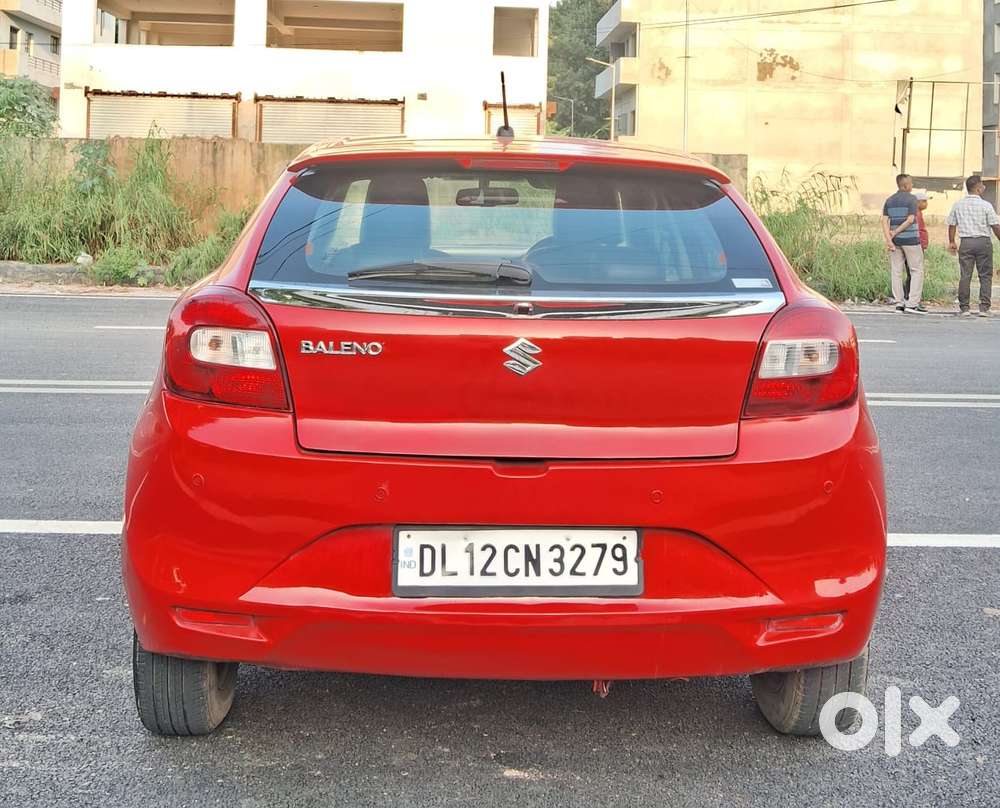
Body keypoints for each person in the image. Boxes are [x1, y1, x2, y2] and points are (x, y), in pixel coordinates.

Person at [946, 175, 999, 317]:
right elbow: (995, 226)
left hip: (966, 243)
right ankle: (984, 308)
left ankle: (964, 308)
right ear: (977, 188)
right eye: (982, 185)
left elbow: (952, 224)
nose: (984, 187)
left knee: (965, 275)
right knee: (985, 275)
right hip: (983, 242)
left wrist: (951, 241)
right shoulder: (986, 205)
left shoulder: (958, 205)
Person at [881, 174, 927, 313]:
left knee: (896, 271)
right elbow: (910, 219)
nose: (912, 186)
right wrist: (895, 232)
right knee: (916, 270)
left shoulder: (889, 200)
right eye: (911, 184)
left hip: (895, 242)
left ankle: (899, 303)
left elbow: (883, 221)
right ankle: (912, 304)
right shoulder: (911, 199)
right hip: (911, 240)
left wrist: (889, 239)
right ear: (906, 185)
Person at [903, 191, 931, 300]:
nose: (926, 204)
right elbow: (918, 231)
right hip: (916, 246)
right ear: (917, 202)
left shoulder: (917, 212)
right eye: (924, 201)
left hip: (916, 246)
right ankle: (911, 297)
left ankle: (909, 296)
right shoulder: (916, 214)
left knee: (912, 273)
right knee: (914, 273)